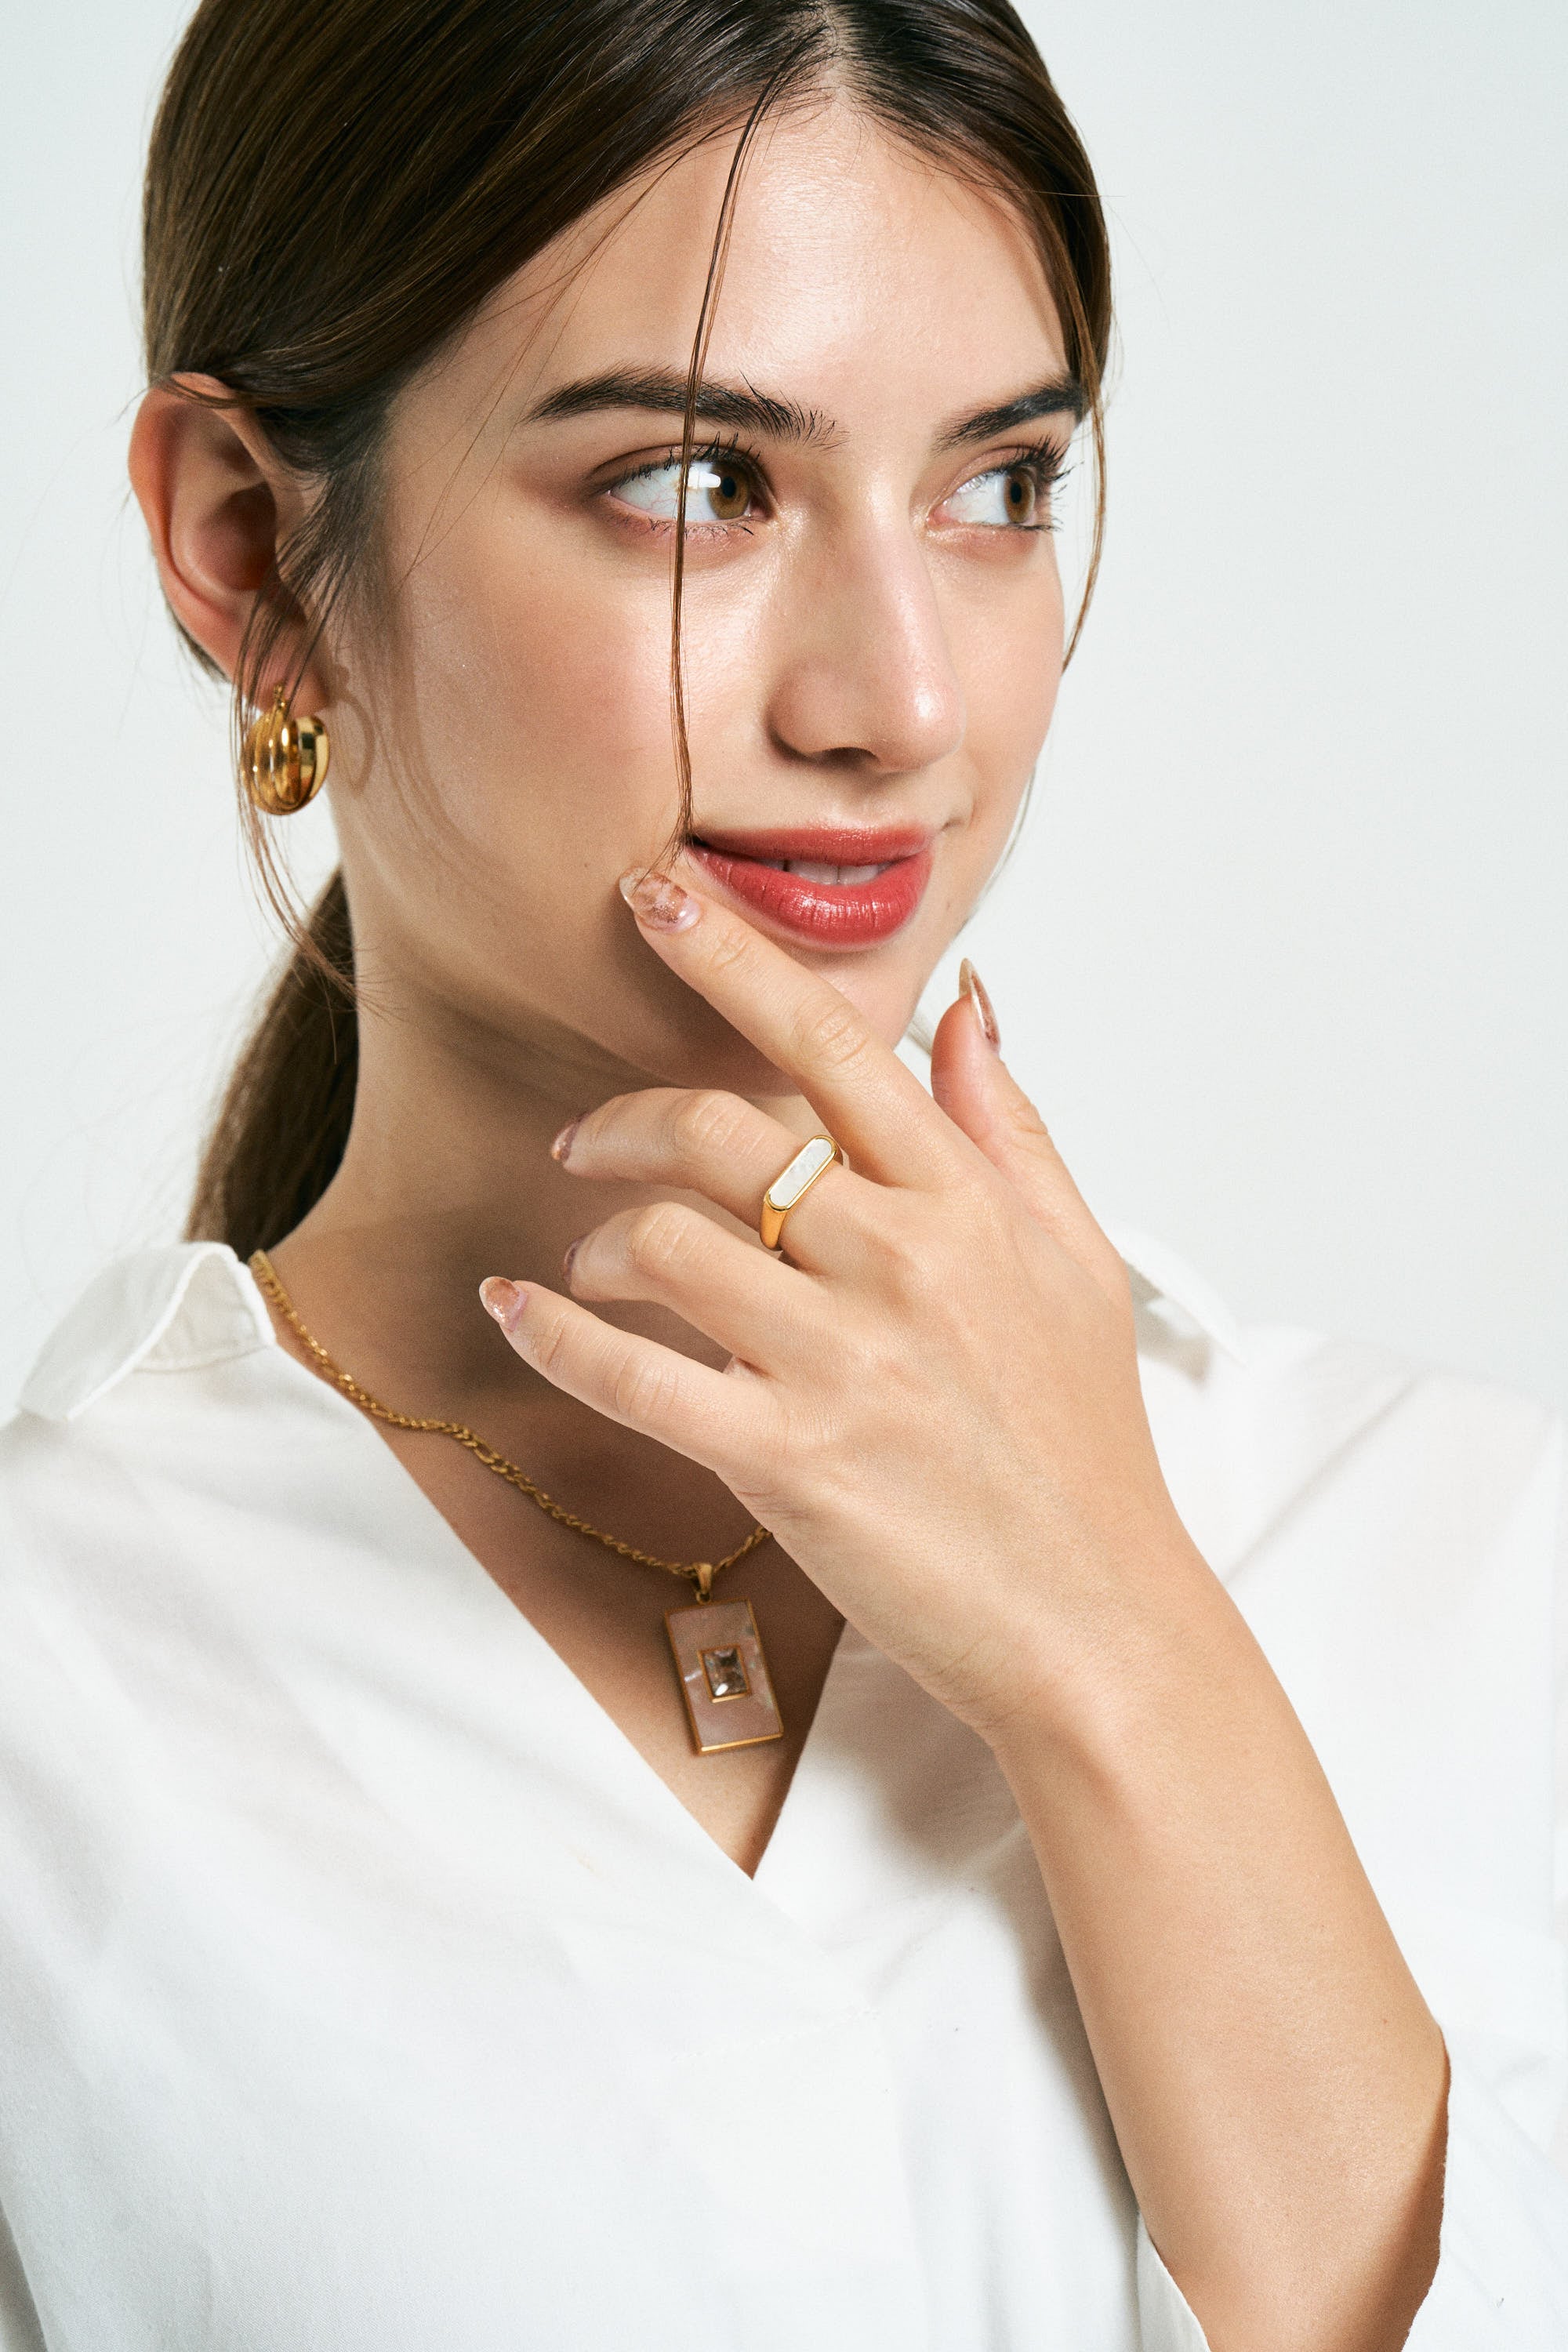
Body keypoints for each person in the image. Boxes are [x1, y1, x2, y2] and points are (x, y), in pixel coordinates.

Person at [0, 2, 1563, 2346]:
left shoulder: (1469, 1555)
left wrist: (1120, 1651)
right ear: (252, 546)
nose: (901, 705)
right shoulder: (52, 1675)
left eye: (1000, 487)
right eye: (699, 483)